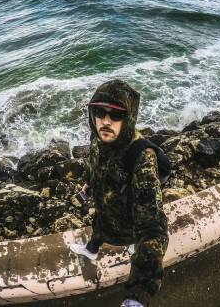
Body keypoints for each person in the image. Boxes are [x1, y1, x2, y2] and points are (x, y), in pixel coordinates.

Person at [70, 79, 168, 307]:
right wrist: (88, 184)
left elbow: (154, 228)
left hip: (129, 221)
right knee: (99, 224)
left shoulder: (141, 156)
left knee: (137, 241)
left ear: (129, 117)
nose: (105, 121)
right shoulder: (98, 137)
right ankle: (92, 250)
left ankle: (131, 250)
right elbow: (95, 164)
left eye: (116, 115)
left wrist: (137, 296)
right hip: (105, 211)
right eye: (99, 112)